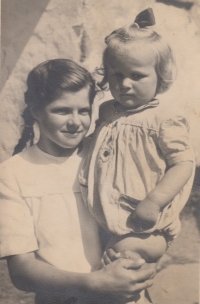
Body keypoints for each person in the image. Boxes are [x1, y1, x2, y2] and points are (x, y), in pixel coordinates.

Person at [0, 59, 156, 304]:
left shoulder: (106, 155)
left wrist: (136, 258)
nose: (75, 122)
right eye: (62, 110)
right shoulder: (12, 174)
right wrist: (93, 283)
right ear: (35, 110)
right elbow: (21, 272)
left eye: (83, 110)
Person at [79, 8, 195, 301]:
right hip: (109, 218)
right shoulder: (107, 110)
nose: (124, 84)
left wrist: (154, 201)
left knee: (116, 274)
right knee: (107, 272)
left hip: (143, 225)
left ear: (161, 76)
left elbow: (183, 163)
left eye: (136, 75)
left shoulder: (163, 118)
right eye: (116, 75)